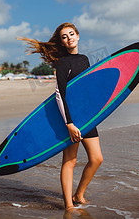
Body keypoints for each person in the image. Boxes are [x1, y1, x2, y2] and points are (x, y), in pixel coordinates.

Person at [20, 22, 103, 210]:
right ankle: (68, 206)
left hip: (87, 117)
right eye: (64, 37)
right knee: (70, 160)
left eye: (71, 34)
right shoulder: (63, 63)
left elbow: (86, 88)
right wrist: (69, 123)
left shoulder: (84, 59)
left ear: (78, 35)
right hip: (71, 119)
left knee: (97, 158)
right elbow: (60, 94)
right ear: (62, 43)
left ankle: (79, 194)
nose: (69, 38)